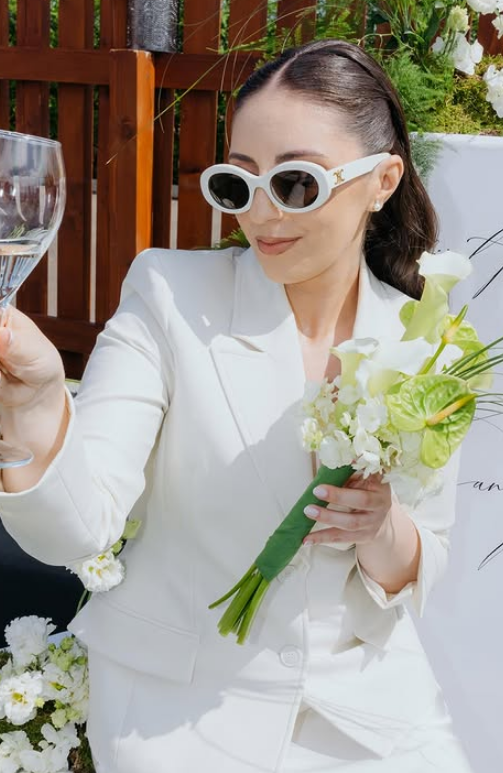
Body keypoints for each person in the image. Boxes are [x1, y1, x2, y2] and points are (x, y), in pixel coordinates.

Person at [0, 39, 473, 772]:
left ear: (382, 181)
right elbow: (78, 528)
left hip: (371, 713)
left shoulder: (424, 339)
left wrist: (380, 527)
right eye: (236, 183)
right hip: (184, 711)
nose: (261, 214)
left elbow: (423, 556)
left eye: (295, 183)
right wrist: (34, 405)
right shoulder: (169, 296)